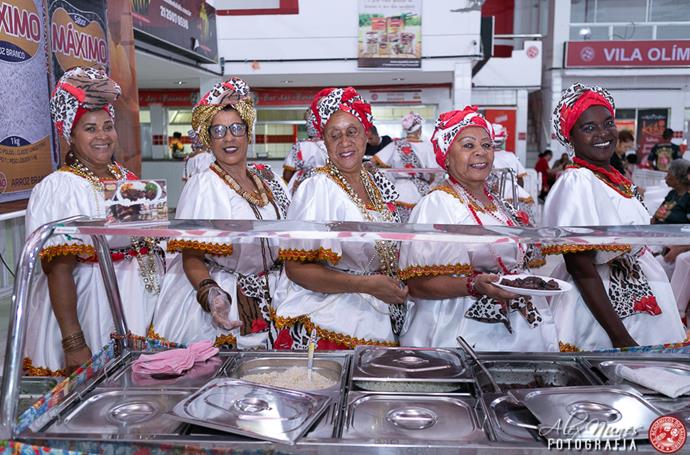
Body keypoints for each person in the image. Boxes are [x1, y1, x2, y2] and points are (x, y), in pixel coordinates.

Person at [24, 67, 163, 375]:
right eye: (90, 128)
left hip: (139, 299)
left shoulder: (126, 178)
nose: (103, 136)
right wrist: (74, 343)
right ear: (70, 135)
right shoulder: (60, 187)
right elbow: (58, 268)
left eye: (108, 126)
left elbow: (147, 240)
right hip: (94, 307)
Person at [398, 107, 558, 351]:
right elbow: (417, 285)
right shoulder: (438, 203)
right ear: (447, 156)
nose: (481, 152)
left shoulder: (498, 203)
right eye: (468, 146)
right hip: (457, 330)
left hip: (518, 326)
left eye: (486, 145)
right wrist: (473, 285)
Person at [543, 83, 685, 351]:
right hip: (602, 311)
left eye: (608, 123)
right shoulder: (578, 181)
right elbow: (580, 267)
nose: (603, 133)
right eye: (589, 128)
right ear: (569, 137)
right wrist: (620, 338)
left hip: (642, 295)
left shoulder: (611, 178)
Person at [152, 77, 291, 349]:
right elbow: (190, 255)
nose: (229, 138)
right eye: (219, 131)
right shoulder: (204, 184)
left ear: (248, 134)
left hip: (278, 293)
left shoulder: (269, 177)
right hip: (225, 295)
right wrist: (211, 293)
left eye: (236, 128)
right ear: (208, 140)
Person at [273, 87, 407, 350]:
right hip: (329, 321)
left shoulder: (376, 182)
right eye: (334, 135)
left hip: (378, 316)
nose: (344, 142)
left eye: (351, 132)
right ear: (324, 142)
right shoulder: (317, 187)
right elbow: (296, 268)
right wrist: (367, 285)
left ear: (366, 135)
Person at [372, 112, 441, 221]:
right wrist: (428, 183)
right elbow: (435, 173)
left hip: (398, 191)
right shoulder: (427, 147)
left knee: (398, 225)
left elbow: (375, 162)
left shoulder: (395, 145)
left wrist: (390, 179)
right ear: (419, 130)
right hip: (421, 191)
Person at [653, 159, 690, 325]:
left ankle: (677, 313)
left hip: (681, 246)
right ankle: (659, 306)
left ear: (679, 177)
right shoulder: (672, 194)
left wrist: (680, 248)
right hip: (665, 243)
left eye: (669, 174)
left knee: (682, 260)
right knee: (657, 263)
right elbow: (656, 216)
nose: (666, 177)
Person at [282, 90, 330, 194]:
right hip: (330, 185)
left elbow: (288, 173)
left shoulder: (301, 146)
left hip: (302, 187)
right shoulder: (333, 144)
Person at [490, 123, 535, 215]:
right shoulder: (510, 156)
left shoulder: (486, 156)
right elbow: (520, 178)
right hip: (512, 193)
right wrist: (518, 189)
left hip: (490, 192)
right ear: (503, 140)